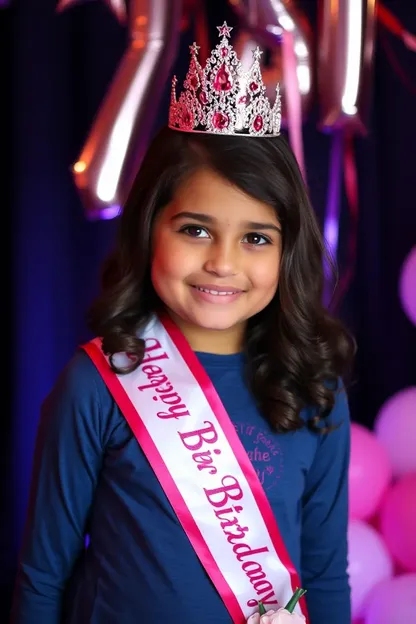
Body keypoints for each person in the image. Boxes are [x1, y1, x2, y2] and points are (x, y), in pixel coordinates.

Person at [11, 22, 355, 624]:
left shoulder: (317, 392)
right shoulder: (96, 385)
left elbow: (325, 574)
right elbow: (43, 577)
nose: (222, 262)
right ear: (150, 229)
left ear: (286, 251)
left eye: (255, 238)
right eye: (195, 229)